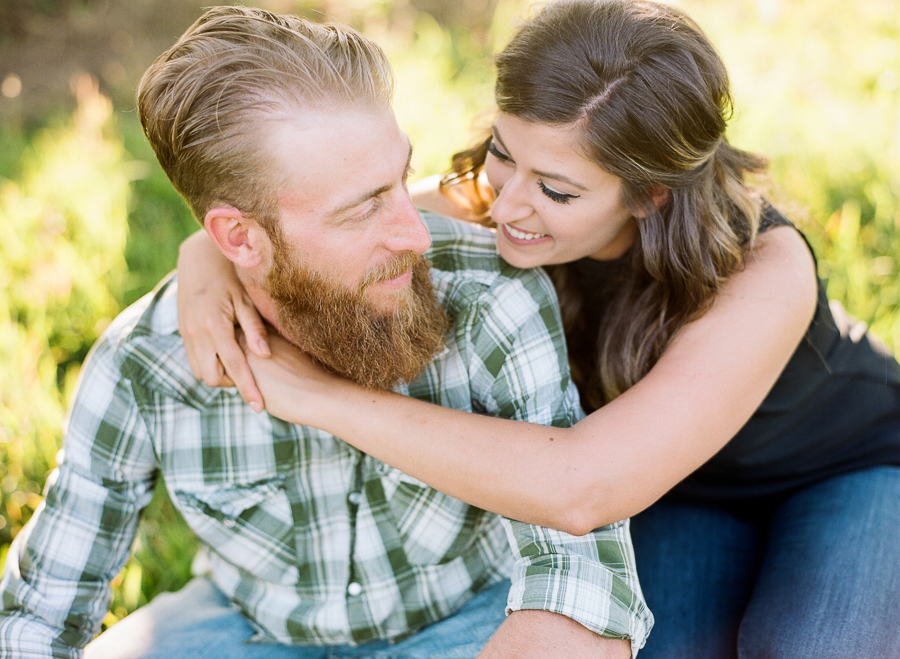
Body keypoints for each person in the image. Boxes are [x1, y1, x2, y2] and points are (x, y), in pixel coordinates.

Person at [175, 1, 900, 658]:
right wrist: (205, 252)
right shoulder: (499, 195)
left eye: (557, 189)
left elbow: (579, 484)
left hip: (845, 469)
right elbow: (332, 223)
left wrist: (319, 397)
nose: (510, 204)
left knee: (818, 645)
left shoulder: (764, 267)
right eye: (502, 152)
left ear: (650, 193)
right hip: (674, 493)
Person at [0, 6, 654, 659]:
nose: (415, 232)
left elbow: (583, 595)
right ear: (237, 237)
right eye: (363, 207)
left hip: (473, 620)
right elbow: (40, 608)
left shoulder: (491, 295)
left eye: (400, 180)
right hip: (255, 629)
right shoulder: (146, 361)